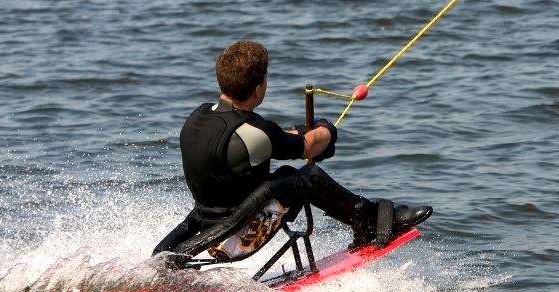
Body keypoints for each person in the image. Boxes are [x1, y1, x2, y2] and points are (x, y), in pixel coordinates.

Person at [152, 40, 432, 262]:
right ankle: (371, 222)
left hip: (206, 226)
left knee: (289, 173)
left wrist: (302, 133)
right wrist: (327, 131)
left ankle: (364, 221)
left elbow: (267, 137)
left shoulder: (198, 116)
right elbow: (310, 146)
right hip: (239, 237)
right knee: (306, 175)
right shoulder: (257, 133)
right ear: (259, 88)